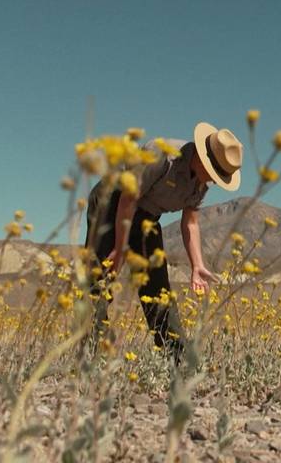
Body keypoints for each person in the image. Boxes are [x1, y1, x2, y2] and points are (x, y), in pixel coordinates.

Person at [84, 122, 243, 356]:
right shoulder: (161, 155)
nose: (214, 181)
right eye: (215, 173)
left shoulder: (201, 184)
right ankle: (91, 352)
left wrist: (197, 265)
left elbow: (190, 222)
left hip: (147, 217)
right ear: (201, 157)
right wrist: (120, 248)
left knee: (157, 288)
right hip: (113, 202)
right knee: (101, 276)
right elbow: (128, 200)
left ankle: (178, 358)